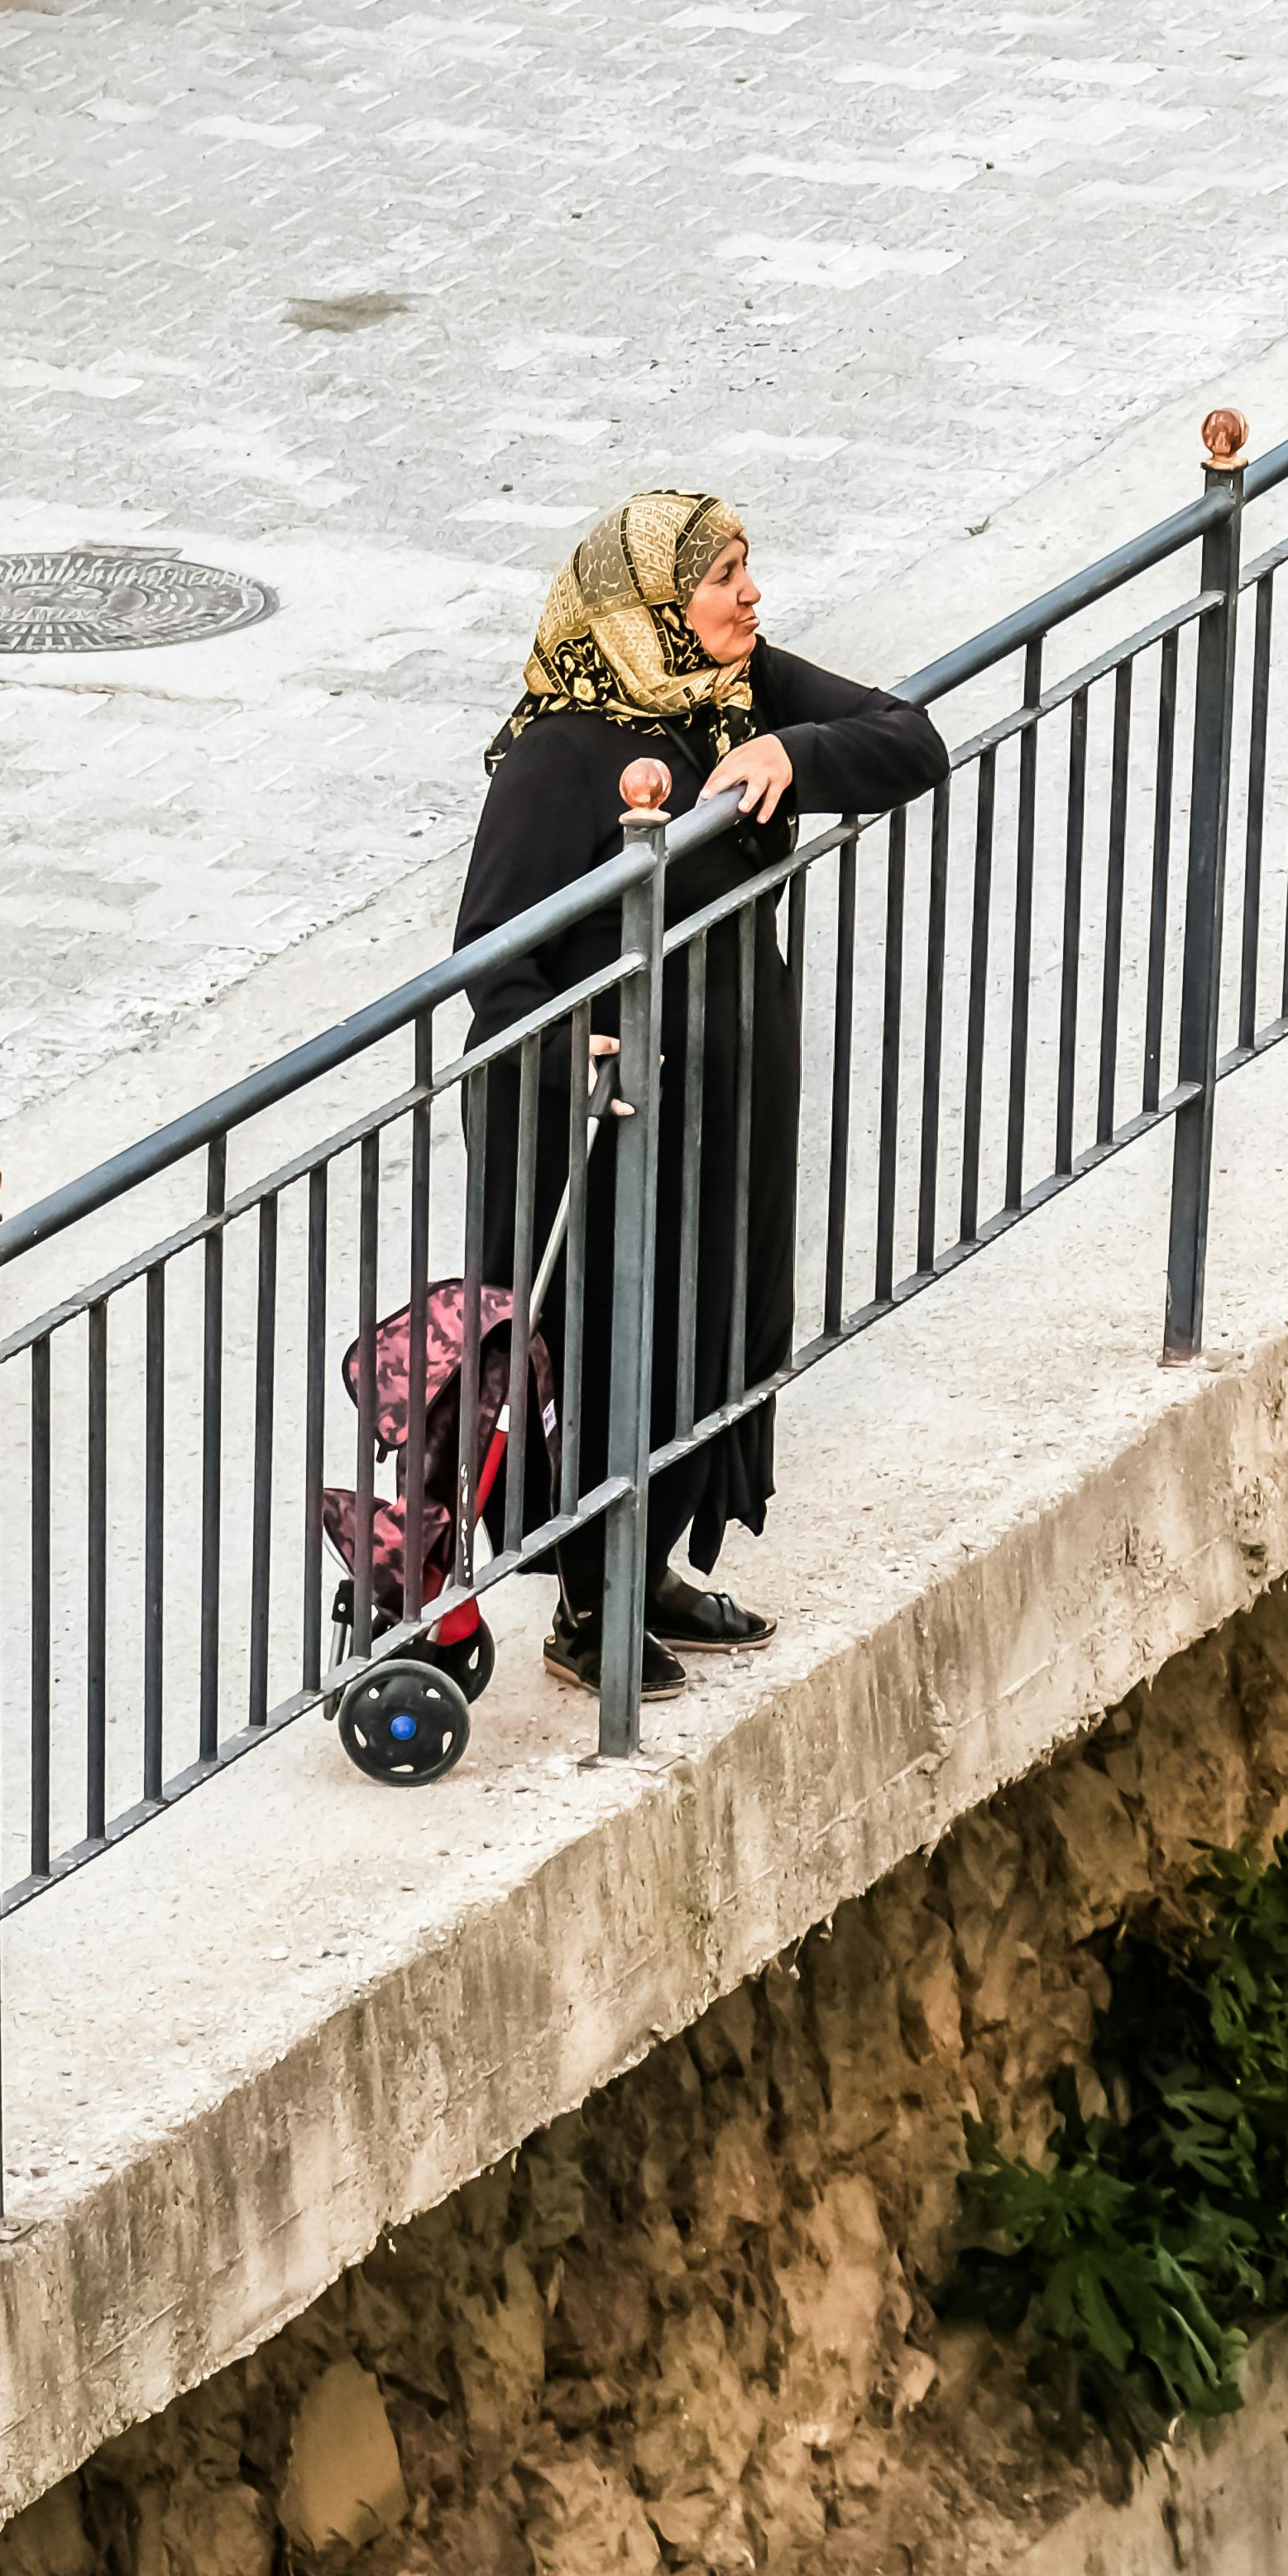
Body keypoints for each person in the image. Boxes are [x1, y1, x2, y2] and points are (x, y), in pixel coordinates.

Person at [454, 491, 948, 1699]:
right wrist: (567, 1048)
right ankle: (589, 1603)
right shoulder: (563, 750)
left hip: (731, 1079)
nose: (750, 594)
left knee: (720, 1322)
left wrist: (794, 754)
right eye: (723, 575)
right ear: (651, 604)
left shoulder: (738, 689)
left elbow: (911, 744)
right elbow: (490, 955)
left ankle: (654, 1560)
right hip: (602, 1111)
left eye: (744, 568)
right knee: (610, 1337)